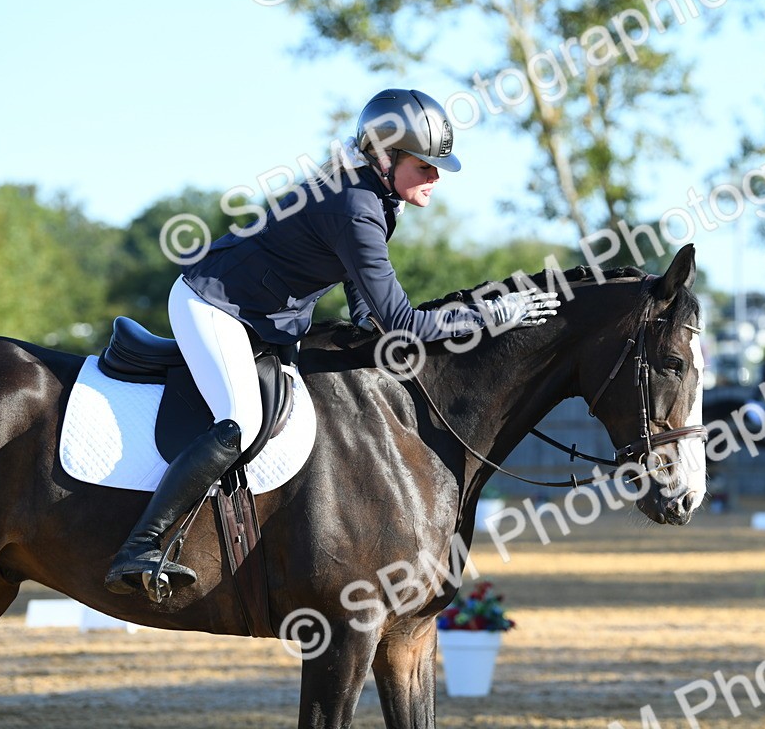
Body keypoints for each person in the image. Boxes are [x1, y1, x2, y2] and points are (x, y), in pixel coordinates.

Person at [105, 88, 559, 596]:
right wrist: (491, 314)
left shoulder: (376, 197)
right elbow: (403, 321)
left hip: (269, 317)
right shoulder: (356, 205)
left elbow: (366, 303)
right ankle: (140, 544)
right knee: (243, 421)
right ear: (385, 158)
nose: (436, 176)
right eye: (425, 165)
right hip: (213, 305)